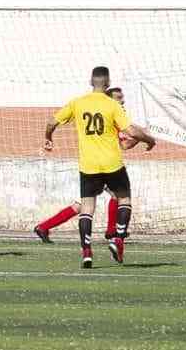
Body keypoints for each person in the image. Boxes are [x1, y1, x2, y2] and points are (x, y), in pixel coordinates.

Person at [45, 67, 155, 268]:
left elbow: (52, 122)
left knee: (87, 208)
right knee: (124, 199)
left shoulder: (77, 103)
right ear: (108, 82)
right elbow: (131, 131)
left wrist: (48, 138)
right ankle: (118, 239)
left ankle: (86, 252)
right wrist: (149, 140)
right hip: (112, 163)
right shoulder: (112, 105)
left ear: (91, 81)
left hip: (88, 165)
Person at [33, 87, 140, 244]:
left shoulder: (114, 118)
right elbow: (123, 145)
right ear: (109, 100)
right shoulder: (109, 115)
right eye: (118, 98)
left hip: (96, 166)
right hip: (97, 167)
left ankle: (43, 227)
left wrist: (138, 138)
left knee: (82, 205)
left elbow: (124, 145)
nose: (122, 101)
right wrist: (142, 137)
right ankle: (111, 231)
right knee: (115, 196)